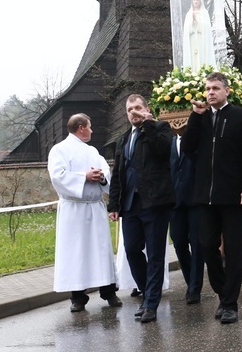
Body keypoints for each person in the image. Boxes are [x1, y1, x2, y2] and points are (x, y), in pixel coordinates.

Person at [181, 71, 242, 324]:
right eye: (207, 89)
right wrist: (195, 116)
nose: (210, 92)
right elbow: (188, 147)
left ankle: (229, 304)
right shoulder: (201, 118)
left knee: (234, 251)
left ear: (227, 91)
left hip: (233, 196)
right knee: (205, 246)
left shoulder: (241, 117)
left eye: (215, 88)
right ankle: (223, 290)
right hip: (205, 196)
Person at [108, 94, 175, 323]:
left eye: (137, 107)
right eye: (129, 109)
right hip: (130, 205)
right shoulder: (123, 139)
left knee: (155, 254)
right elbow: (118, 174)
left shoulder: (160, 129)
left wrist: (149, 124)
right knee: (132, 251)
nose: (133, 112)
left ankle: (151, 304)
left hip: (155, 202)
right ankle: (147, 293)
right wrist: (114, 204)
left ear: (146, 109)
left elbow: (163, 150)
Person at [47, 113, 120, 312]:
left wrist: (102, 178)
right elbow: (58, 177)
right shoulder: (59, 150)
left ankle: (109, 291)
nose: (92, 130)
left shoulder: (93, 151)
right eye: (89, 127)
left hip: (94, 207)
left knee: (101, 250)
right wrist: (84, 177)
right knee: (76, 253)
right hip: (74, 209)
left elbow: (106, 172)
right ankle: (78, 297)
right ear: (81, 128)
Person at [169, 124, 204, 304]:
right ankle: (191, 279)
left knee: (197, 244)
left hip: (195, 199)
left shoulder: (197, 139)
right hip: (174, 201)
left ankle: (195, 288)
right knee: (179, 242)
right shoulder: (168, 141)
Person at [182, 0, 216, 71]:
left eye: (197, 0)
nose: (195, 1)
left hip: (202, 40)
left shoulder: (204, 13)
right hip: (192, 40)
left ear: (200, 1)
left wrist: (197, 22)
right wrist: (192, 24)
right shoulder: (189, 14)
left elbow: (207, 28)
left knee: (202, 58)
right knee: (193, 59)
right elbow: (186, 31)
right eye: (194, 0)